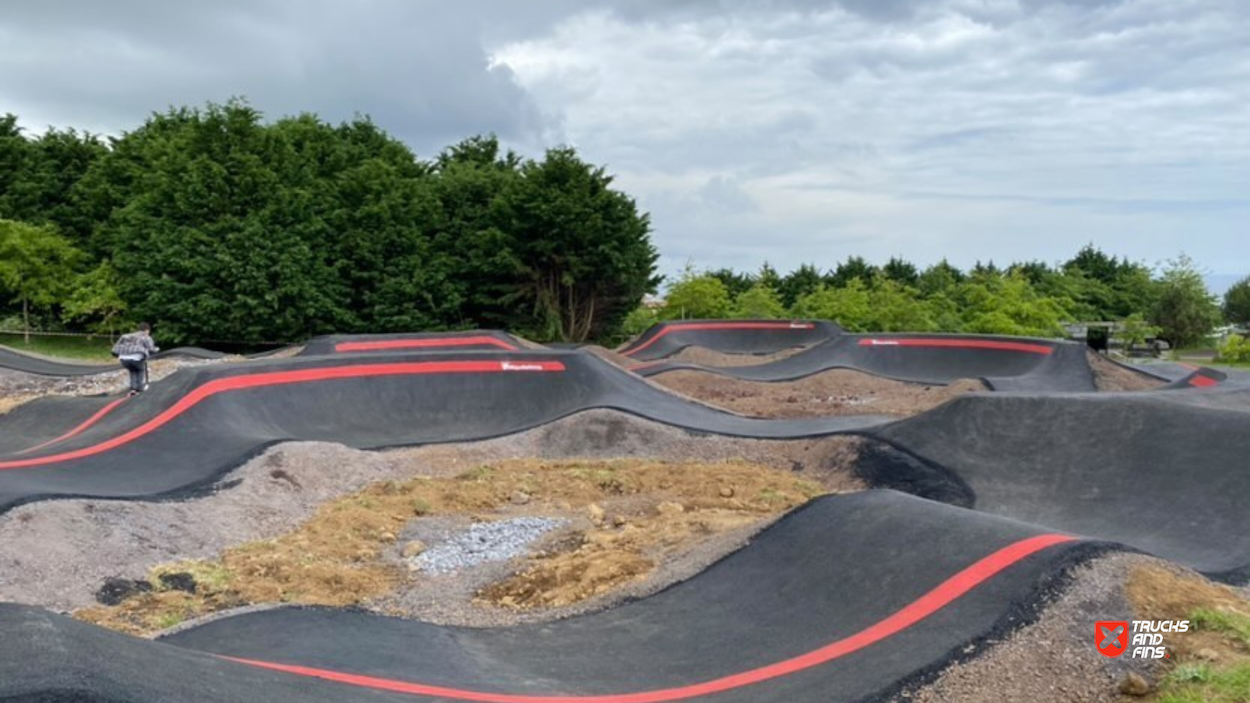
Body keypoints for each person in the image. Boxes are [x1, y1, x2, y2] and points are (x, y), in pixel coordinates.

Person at [112, 323, 160, 395]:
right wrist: (157, 349)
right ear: (147, 330)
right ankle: (140, 387)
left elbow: (115, 348)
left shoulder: (125, 336)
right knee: (140, 370)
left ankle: (133, 388)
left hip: (123, 358)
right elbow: (151, 349)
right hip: (136, 358)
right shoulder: (145, 337)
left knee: (132, 370)